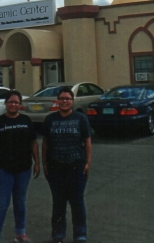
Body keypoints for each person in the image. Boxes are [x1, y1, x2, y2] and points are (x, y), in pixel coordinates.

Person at [0, 89, 40, 243]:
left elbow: (33, 142)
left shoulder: (26, 120)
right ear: (5, 103)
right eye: (10, 102)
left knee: (20, 202)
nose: (13, 104)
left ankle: (20, 233)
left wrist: (37, 163)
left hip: (23, 170)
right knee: (1, 204)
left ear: (20, 104)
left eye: (16, 102)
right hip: (3, 170)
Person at [42, 86, 92, 243]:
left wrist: (88, 162)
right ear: (58, 101)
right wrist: (44, 163)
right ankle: (58, 235)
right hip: (56, 167)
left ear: (72, 101)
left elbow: (87, 141)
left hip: (76, 166)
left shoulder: (80, 118)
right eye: (62, 99)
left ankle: (80, 234)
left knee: (77, 202)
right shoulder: (50, 119)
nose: (64, 101)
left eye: (67, 99)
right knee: (58, 203)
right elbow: (45, 143)